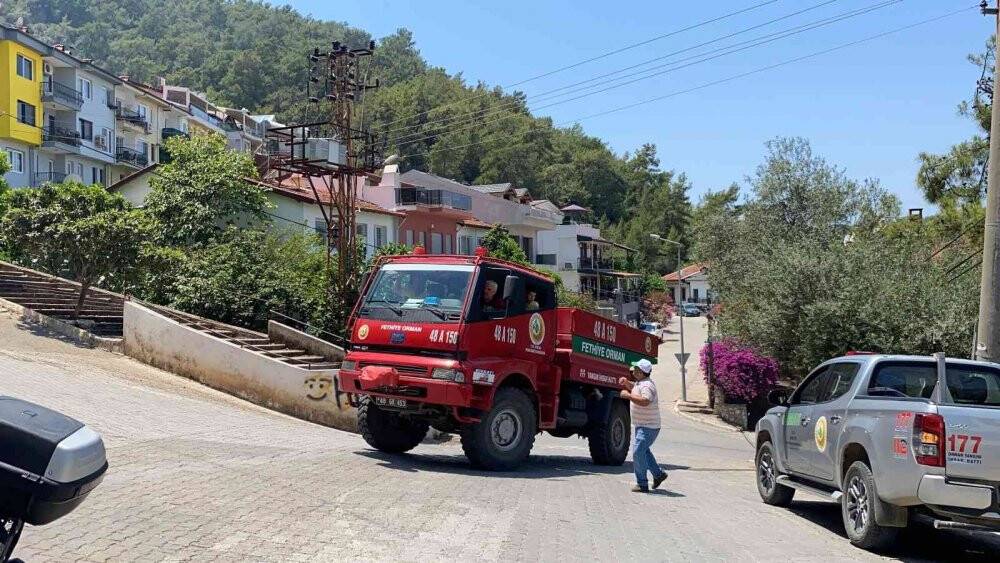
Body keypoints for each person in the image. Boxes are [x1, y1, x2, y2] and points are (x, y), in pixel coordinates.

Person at [618, 358, 667, 493]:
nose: (633, 371)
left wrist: (628, 396)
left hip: (649, 426)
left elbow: (645, 401)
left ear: (642, 372)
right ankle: (658, 474)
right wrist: (627, 383)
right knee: (643, 451)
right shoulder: (641, 383)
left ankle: (642, 484)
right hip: (643, 425)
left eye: (636, 369)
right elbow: (635, 388)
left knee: (638, 451)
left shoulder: (647, 386)